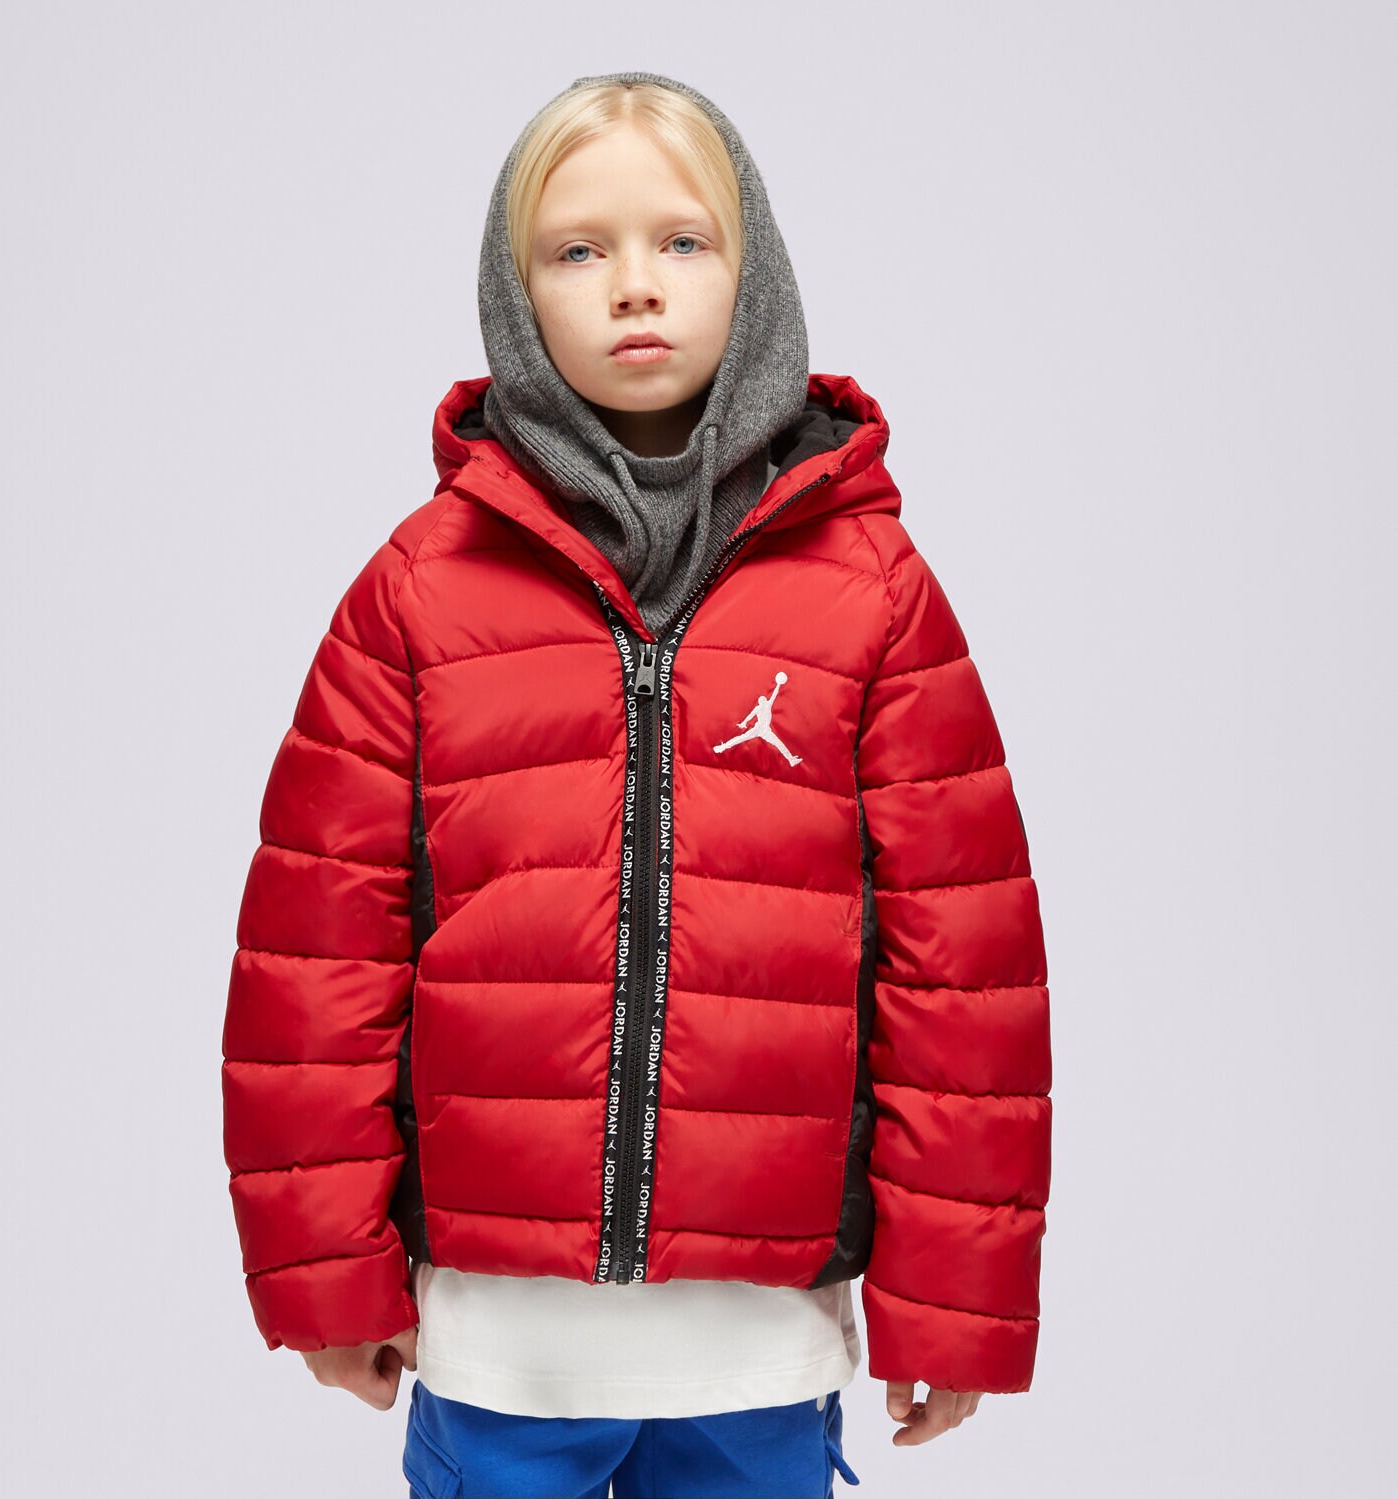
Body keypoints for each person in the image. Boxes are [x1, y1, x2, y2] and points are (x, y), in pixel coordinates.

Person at [221, 70, 1052, 1499]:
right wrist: (327, 1273)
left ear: (754, 271)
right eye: (577, 249)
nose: (634, 285)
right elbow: (318, 957)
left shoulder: (872, 594)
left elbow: (962, 972)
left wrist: (954, 1298)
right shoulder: (418, 593)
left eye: (681, 240)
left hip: (759, 1343)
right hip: (499, 1340)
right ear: (515, 292)